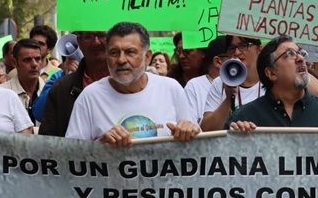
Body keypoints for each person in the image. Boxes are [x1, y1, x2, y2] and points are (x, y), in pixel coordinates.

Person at [65, 22, 200, 146]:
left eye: (130, 52)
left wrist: (190, 131)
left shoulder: (171, 89)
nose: (121, 60)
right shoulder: (89, 97)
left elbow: (200, 146)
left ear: (147, 57)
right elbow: (72, 156)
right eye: (114, 53)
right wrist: (101, 145)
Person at [226, 35, 318, 134]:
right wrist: (237, 138)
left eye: (301, 53)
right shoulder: (246, 118)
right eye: (289, 54)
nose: (300, 59)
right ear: (271, 73)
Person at [37, 31, 110, 137]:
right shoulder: (61, 86)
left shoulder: (129, 83)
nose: (96, 42)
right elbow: (47, 137)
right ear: (79, 42)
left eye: (102, 36)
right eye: (89, 37)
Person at [0, 39, 45, 123]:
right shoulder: (1, 93)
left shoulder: (51, 92)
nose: (34, 64)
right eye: (27, 60)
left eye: (37, 59)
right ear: (14, 62)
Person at [184, 36, 229, 123]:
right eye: (232, 56)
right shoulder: (194, 86)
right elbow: (190, 124)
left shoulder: (244, 83)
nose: (238, 60)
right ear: (218, 61)